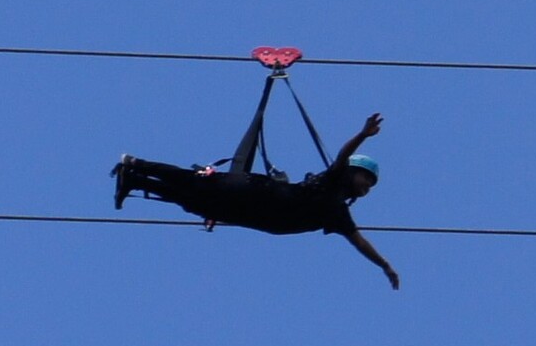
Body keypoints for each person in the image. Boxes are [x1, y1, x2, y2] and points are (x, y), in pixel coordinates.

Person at [111, 112, 400, 289]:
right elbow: (342, 155)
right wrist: (363, 134)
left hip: (252, 214)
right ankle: (137, 163)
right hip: (254, 193)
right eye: (366, 180)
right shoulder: (334, 180)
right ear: (353, 173)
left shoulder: (337, 213)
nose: (367, 188)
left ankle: (134, 180)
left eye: (371, 186)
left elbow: (360, 242)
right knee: (195, 183)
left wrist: (384, 265)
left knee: (190, 201)